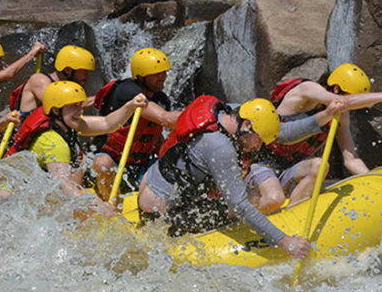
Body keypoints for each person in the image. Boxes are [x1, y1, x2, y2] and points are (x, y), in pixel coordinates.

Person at [137, 95, 346, 259]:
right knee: (248, 204)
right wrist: (283, 242)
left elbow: (282, 133)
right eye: (259, 140)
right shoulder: (221, 147)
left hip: (153, 184)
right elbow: (239, 205)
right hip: (161, 216)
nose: (260, 146)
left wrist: (327, 114)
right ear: (246, 126)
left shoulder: (233, 111)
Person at [247, 63, 382, 212]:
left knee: (319, 165)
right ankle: (239, 214)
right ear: (337, 88)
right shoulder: (306, 90)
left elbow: (351, 159)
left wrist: (375, 180)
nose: (353, 106)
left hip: (291, 169)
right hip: (261, 164)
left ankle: (291, 217)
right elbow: (341, 102)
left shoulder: (340, 115)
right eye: (352, 98)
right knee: (273, 199)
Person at [5, 80, 148, 216]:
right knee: (81, 169)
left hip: (34, 189)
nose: (80, 111)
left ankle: (114, 213)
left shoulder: (64, 122)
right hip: (16, 199)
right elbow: (63, 185)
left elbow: (107, 124)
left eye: (80, 105)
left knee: (83, 161)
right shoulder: (54, 143)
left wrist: (130, 105)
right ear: (56, 110)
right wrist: (98, 207)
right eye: (74, 106)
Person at [92, 48, 182, 201]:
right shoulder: (127, 91)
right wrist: (200, 113)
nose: (162, 78)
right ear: (141, 76)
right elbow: (165, 119)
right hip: (113, 162)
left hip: (141, 165)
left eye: (164, 72)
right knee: (102, 163)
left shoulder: (162, 99)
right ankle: (113, 208)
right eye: (156, 74)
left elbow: (155, 134)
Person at [11, 45, 96, 119]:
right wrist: (99, 97)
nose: (87, 78)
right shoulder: (39, 80)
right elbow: (62, 107)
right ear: (67, 70)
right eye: (85, 73)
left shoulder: (67, 89)